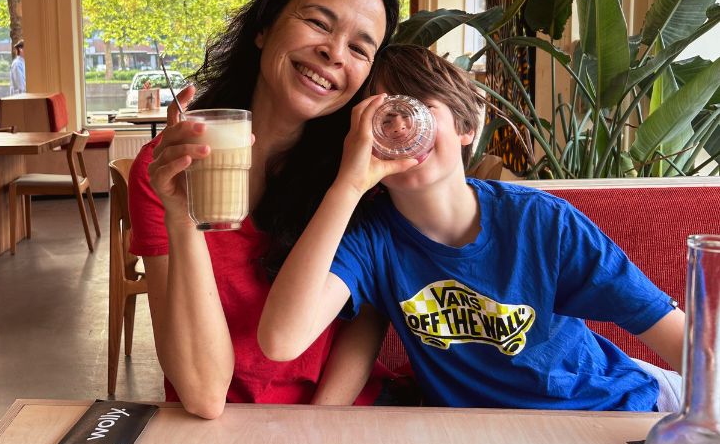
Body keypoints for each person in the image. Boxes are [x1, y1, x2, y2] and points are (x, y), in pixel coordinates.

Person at [258, 44, 686, 412]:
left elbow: (676, 334)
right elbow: (282, 340)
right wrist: (348, 184)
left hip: (606, 409)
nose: (402, 127)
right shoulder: (372, 238)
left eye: (420, 108)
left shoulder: (541, 223)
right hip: (484, 439)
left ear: (465, 127)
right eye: (382, 117)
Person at [129, 0, 401, 419]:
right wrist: (182, 217)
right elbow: (203, 393)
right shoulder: (168, 169)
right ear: (263, 28)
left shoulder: (362, 172)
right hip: (219, 426)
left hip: (340, 418)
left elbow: (367, 319)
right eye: (318, 22)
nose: (335, 53)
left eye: (359, 48)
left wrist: (319, 424)